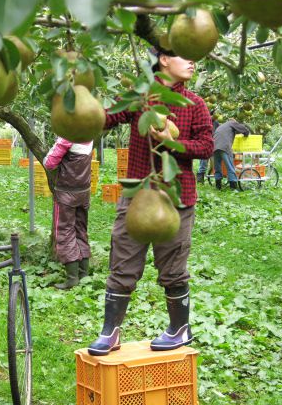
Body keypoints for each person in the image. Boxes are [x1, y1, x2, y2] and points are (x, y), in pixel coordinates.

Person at [88, 48, 214, 356]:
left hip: (176, 197)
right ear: (164, 59)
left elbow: (207, 146)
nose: (192, 59)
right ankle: (110, 331)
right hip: (139, 195)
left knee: (173, 266)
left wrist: (171, 143)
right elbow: (108, 118)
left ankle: (179, 328)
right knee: (123, 259)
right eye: (183, 55)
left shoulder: (194, 104)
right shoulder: (141, 97)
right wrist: (80, 97)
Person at [43, 137, 93, 290]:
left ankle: (72, 278)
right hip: (84, 191)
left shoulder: (67, 137)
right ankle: (84, 274)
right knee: (80, 230)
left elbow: (49, 163)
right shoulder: (89, 134)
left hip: (67, 192)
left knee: (64, 231)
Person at [213, 119, 251, 191]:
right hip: (224, 147)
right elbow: (244, 130)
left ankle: (218, 186)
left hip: (214, 146)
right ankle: (233, 188)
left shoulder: (222, 126)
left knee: (217, 167)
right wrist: (246, 134)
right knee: (230, 167)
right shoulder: (232, 123)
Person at [196, 119, 220, 183]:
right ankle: (200, 180)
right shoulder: (204, 120)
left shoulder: (216, 123)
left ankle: (214, 179)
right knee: (203, 164)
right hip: (205, 145)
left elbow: (218, 132)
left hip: (213, 145)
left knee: (214, 164)